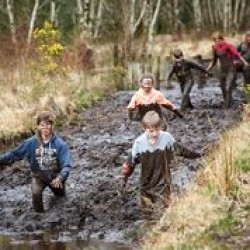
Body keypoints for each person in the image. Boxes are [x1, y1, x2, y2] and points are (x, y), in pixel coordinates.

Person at [119, 111, 200, 209]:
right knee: (147, 212)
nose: (155, 134)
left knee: (163, 210)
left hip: (163, 183)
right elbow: (130, 164)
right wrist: (123, 181)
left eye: (157, 130)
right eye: (151, 131)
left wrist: (198, 155)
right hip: (145, 185)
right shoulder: (139, 143)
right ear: (144, 128)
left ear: (161, 126)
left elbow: (181, 150)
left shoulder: (167, 138)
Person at [0, 111, 72, 212]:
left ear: (51, 126)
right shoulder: (30, 143)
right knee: (36, 193)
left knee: (61, 201)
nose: (45, 128)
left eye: (48, 125)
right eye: (42, 125)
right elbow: (14, 154)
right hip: (38, 177)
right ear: (38, 126)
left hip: (55, 178)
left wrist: (60, 177)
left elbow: (67, 165)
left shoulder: (60, 145)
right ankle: (39, 217)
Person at [207, 33, 249, 108]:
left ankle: (228, 106)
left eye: (218, 41)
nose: (217, 43)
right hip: (225, 69)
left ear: (222, 40)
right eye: (216, 42)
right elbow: (214, 61)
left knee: (229, 87)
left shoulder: (228, 45)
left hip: (236, 68)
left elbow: (237, 55)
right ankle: (229, 102)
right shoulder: (242, 45)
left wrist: (244, 62)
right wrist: (207, 70)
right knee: (224, 89)